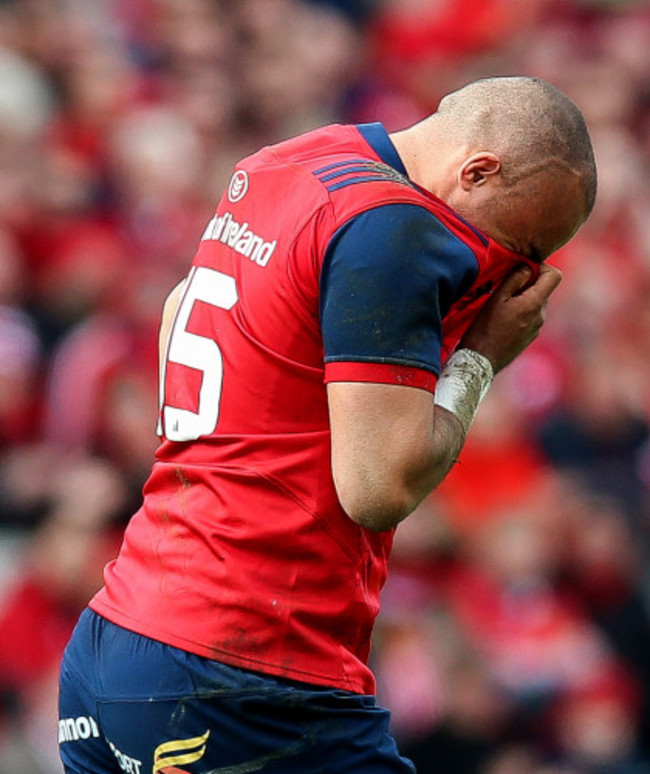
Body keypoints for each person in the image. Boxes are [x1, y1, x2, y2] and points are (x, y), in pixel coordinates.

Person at [58, 76, 597, 773]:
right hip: (241, 676)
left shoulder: (291, 160)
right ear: (478, 172)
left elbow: (176, 310)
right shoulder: (397, 228)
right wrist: (483, 358)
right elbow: (377, 487)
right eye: (520, 246)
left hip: (119, 645)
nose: (509, 273)